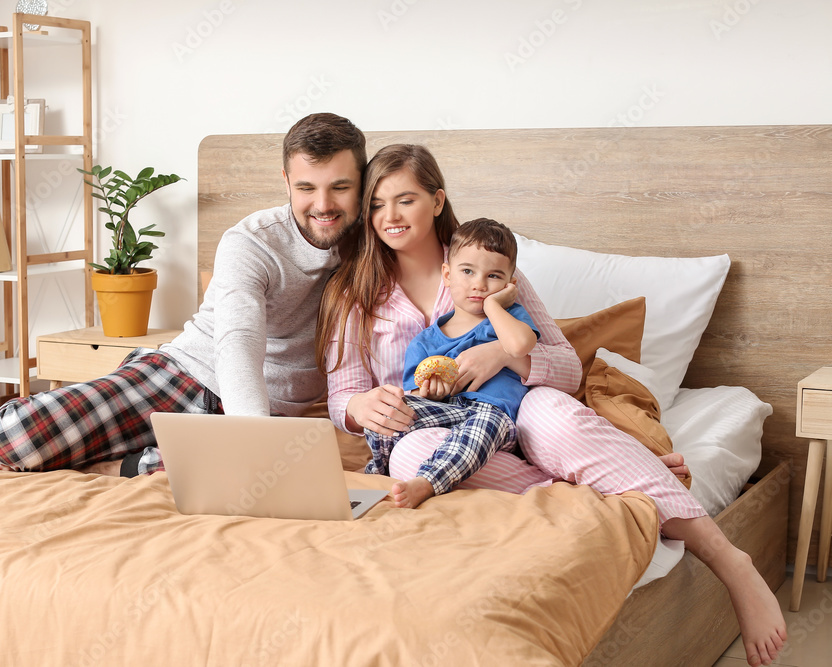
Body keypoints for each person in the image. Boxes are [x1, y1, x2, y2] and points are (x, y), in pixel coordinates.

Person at [317, 143, 786, 667]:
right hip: (441, 431)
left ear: (438, 199)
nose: (390, 217)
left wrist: (502, 353)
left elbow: (567, 370)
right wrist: (364, 406)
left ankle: (730, 560)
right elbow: (342, 399)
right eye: (377, 204)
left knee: (552, 413)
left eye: (405, 200)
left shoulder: (491, 272)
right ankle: (614, 485)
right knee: (410, 459)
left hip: (518, 418)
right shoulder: (351, 291)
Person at [0, 112, 366, 478]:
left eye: (340, 187)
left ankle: (118, 466)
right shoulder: (252, 242)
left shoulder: (377, 246)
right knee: (15, 439)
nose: (323, 204)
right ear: (286, 181)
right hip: (186, 376)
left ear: (363, 184)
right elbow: (238, 341)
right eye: (307, 187)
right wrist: (251, 439)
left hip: (278, 412)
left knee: (274, 466)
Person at [365, 218, 539, 508]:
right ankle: (378, 474)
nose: (479, 285)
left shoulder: (510, 319)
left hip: (495, 418)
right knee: (389, 410)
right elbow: (415, 395)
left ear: (510, 284)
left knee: (486, 423)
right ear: (447, 275)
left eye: (494, 276)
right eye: (468, 271)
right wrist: (430, 392)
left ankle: (429, 482)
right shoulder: (425, 341)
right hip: (446, 413)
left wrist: (494, 306)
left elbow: (521, 346)